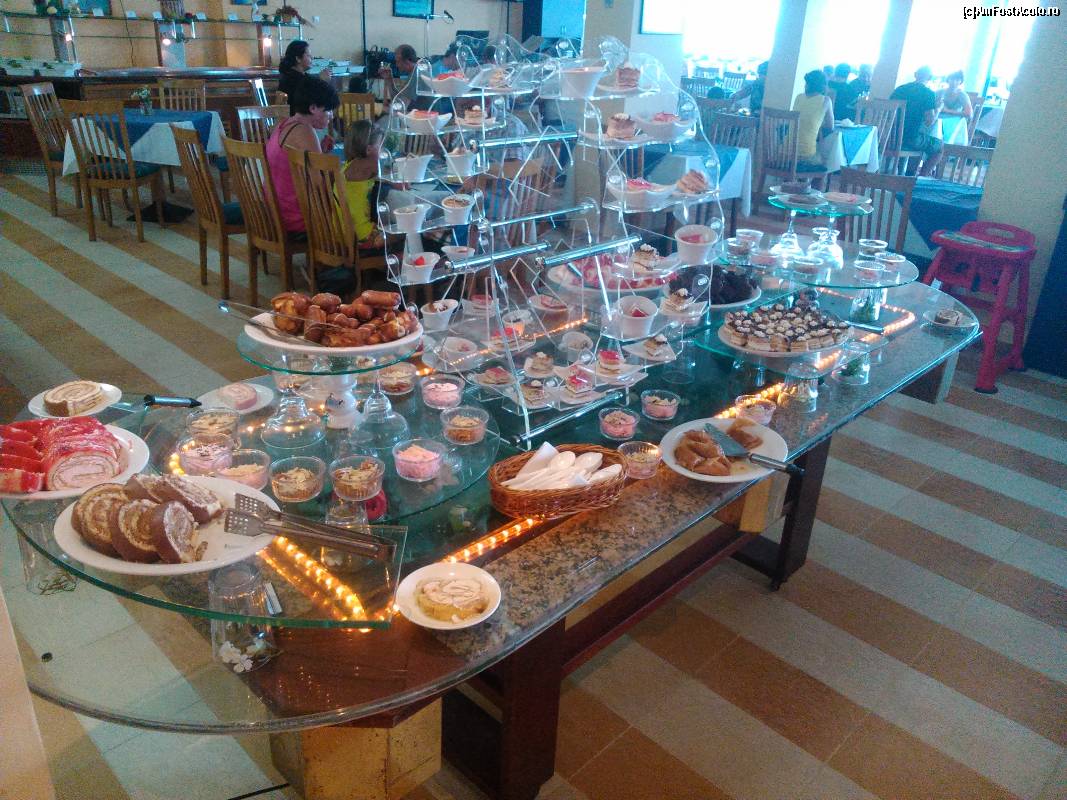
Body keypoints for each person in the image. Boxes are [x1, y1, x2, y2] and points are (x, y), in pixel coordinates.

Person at [265, 77, 339, 234]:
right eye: (328, 110)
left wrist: (320, 153)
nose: (331, 115)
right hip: (297, 219)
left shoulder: (283, 124)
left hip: (274, 212)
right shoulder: (305, 131)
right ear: (313, 108)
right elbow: (318, 184)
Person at [890, 66, 942, 175]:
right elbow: (929, 122)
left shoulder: (899, 89)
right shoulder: (928, 94)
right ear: (930, 78)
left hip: (890, 137)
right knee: (939, 146)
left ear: (915, 74)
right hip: (911, 138)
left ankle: (907, 173)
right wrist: (938, 109)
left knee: (920, 140)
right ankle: (919, 178)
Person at [342, 120, 386, 249]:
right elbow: (400, 184)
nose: (383, 150)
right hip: (363, 235)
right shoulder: (371, 165)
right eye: (381, 145)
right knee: (405, 229)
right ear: (369, 149)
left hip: (343, 232)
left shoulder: (348, 165)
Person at [792, 69, 834, 168]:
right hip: (805, 155)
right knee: (826, 161)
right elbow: (830, 127)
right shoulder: (826, 100)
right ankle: (818, 179)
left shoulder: (798, 97)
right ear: (823, 86)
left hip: (784, 152)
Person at [278, 40, 332, 111]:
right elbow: (310, 102)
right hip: (298, 116)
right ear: (298, 58)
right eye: (308, 55)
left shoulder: (300, 76)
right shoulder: (292, 79)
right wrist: (322, 82)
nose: (312, 58)